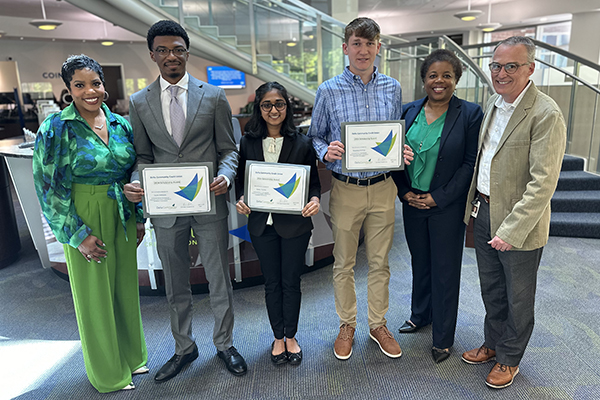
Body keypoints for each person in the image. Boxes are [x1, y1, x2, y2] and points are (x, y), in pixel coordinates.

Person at [123, 20, 246, 381]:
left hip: (208, 203)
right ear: (153, 55)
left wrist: (226, 174)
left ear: (187, 52)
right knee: (175, 282)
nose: (171, 56)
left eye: (177, 49)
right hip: (165, 208)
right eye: (162, 50)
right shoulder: (139, 101)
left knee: (218, 278)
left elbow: (228, 148)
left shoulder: (214, 96)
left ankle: (224, 344)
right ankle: (184, 348)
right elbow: (142, 157)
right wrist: (135, 181)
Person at [32, 54, 147, 393]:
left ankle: (132, 355)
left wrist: (138, 217)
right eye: (80, 85)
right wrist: (77, 235)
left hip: (121, 211)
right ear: (69, 89)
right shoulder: (56, 128)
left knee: (126, 288)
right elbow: (47, 186)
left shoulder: (120, 123)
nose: (90, 91)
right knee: (94, 295)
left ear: (104, 84)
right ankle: (108, 374)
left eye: (95, 83)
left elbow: (131, 173)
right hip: (82, 212)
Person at [461, 36, 566, 389]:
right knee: (492, 290)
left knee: (519, 295)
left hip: (518, 222)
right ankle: (492, 344)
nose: (501, 73)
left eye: (511, 66)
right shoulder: (494, 103)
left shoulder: (545, 113)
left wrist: (512, 229)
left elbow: (543, 182)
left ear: (530, 69)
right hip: (485, 209)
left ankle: (509, 358)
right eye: (496, 65)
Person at [307, 17, 405, 360]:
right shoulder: (328, 90)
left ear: (379, 47)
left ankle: (377, 324)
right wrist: (324, 150)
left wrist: (402, 149)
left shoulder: (392, 87)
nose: (363, 50)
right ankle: (346, 324)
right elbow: (315, 136)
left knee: (380, 262)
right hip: (346, 188)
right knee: (344, 262)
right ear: (345, 47)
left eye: (369, 43)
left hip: (383, 187)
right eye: (356, 43)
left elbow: (394, 135)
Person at [392, 49, 483, 363]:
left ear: (456, 79)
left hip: (446, 205)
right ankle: (421, 315)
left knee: (445, 270)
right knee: (421, 261)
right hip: (411, 201)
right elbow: (393, 158)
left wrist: (439, 197)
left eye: (447, 75)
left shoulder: (470, 114)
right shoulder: (407, 111)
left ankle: (443, 337)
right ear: (424, 80)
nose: (439, 81)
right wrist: (404, 192)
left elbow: (470, 164)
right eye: (433, 75)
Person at [235, 82, 321, 365]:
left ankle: (291, 336)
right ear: (259, 109)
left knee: (291, 281)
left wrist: (315, 199)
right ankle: (277, 336)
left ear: (288, 107)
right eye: (267, 105)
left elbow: (313, 184)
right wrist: (241, 197)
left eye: (279, 104)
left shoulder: (303, 142)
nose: (274, 110)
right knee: (272, 283)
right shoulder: (247, 142)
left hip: (294, 224)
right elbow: (240, 182)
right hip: (261, 225)